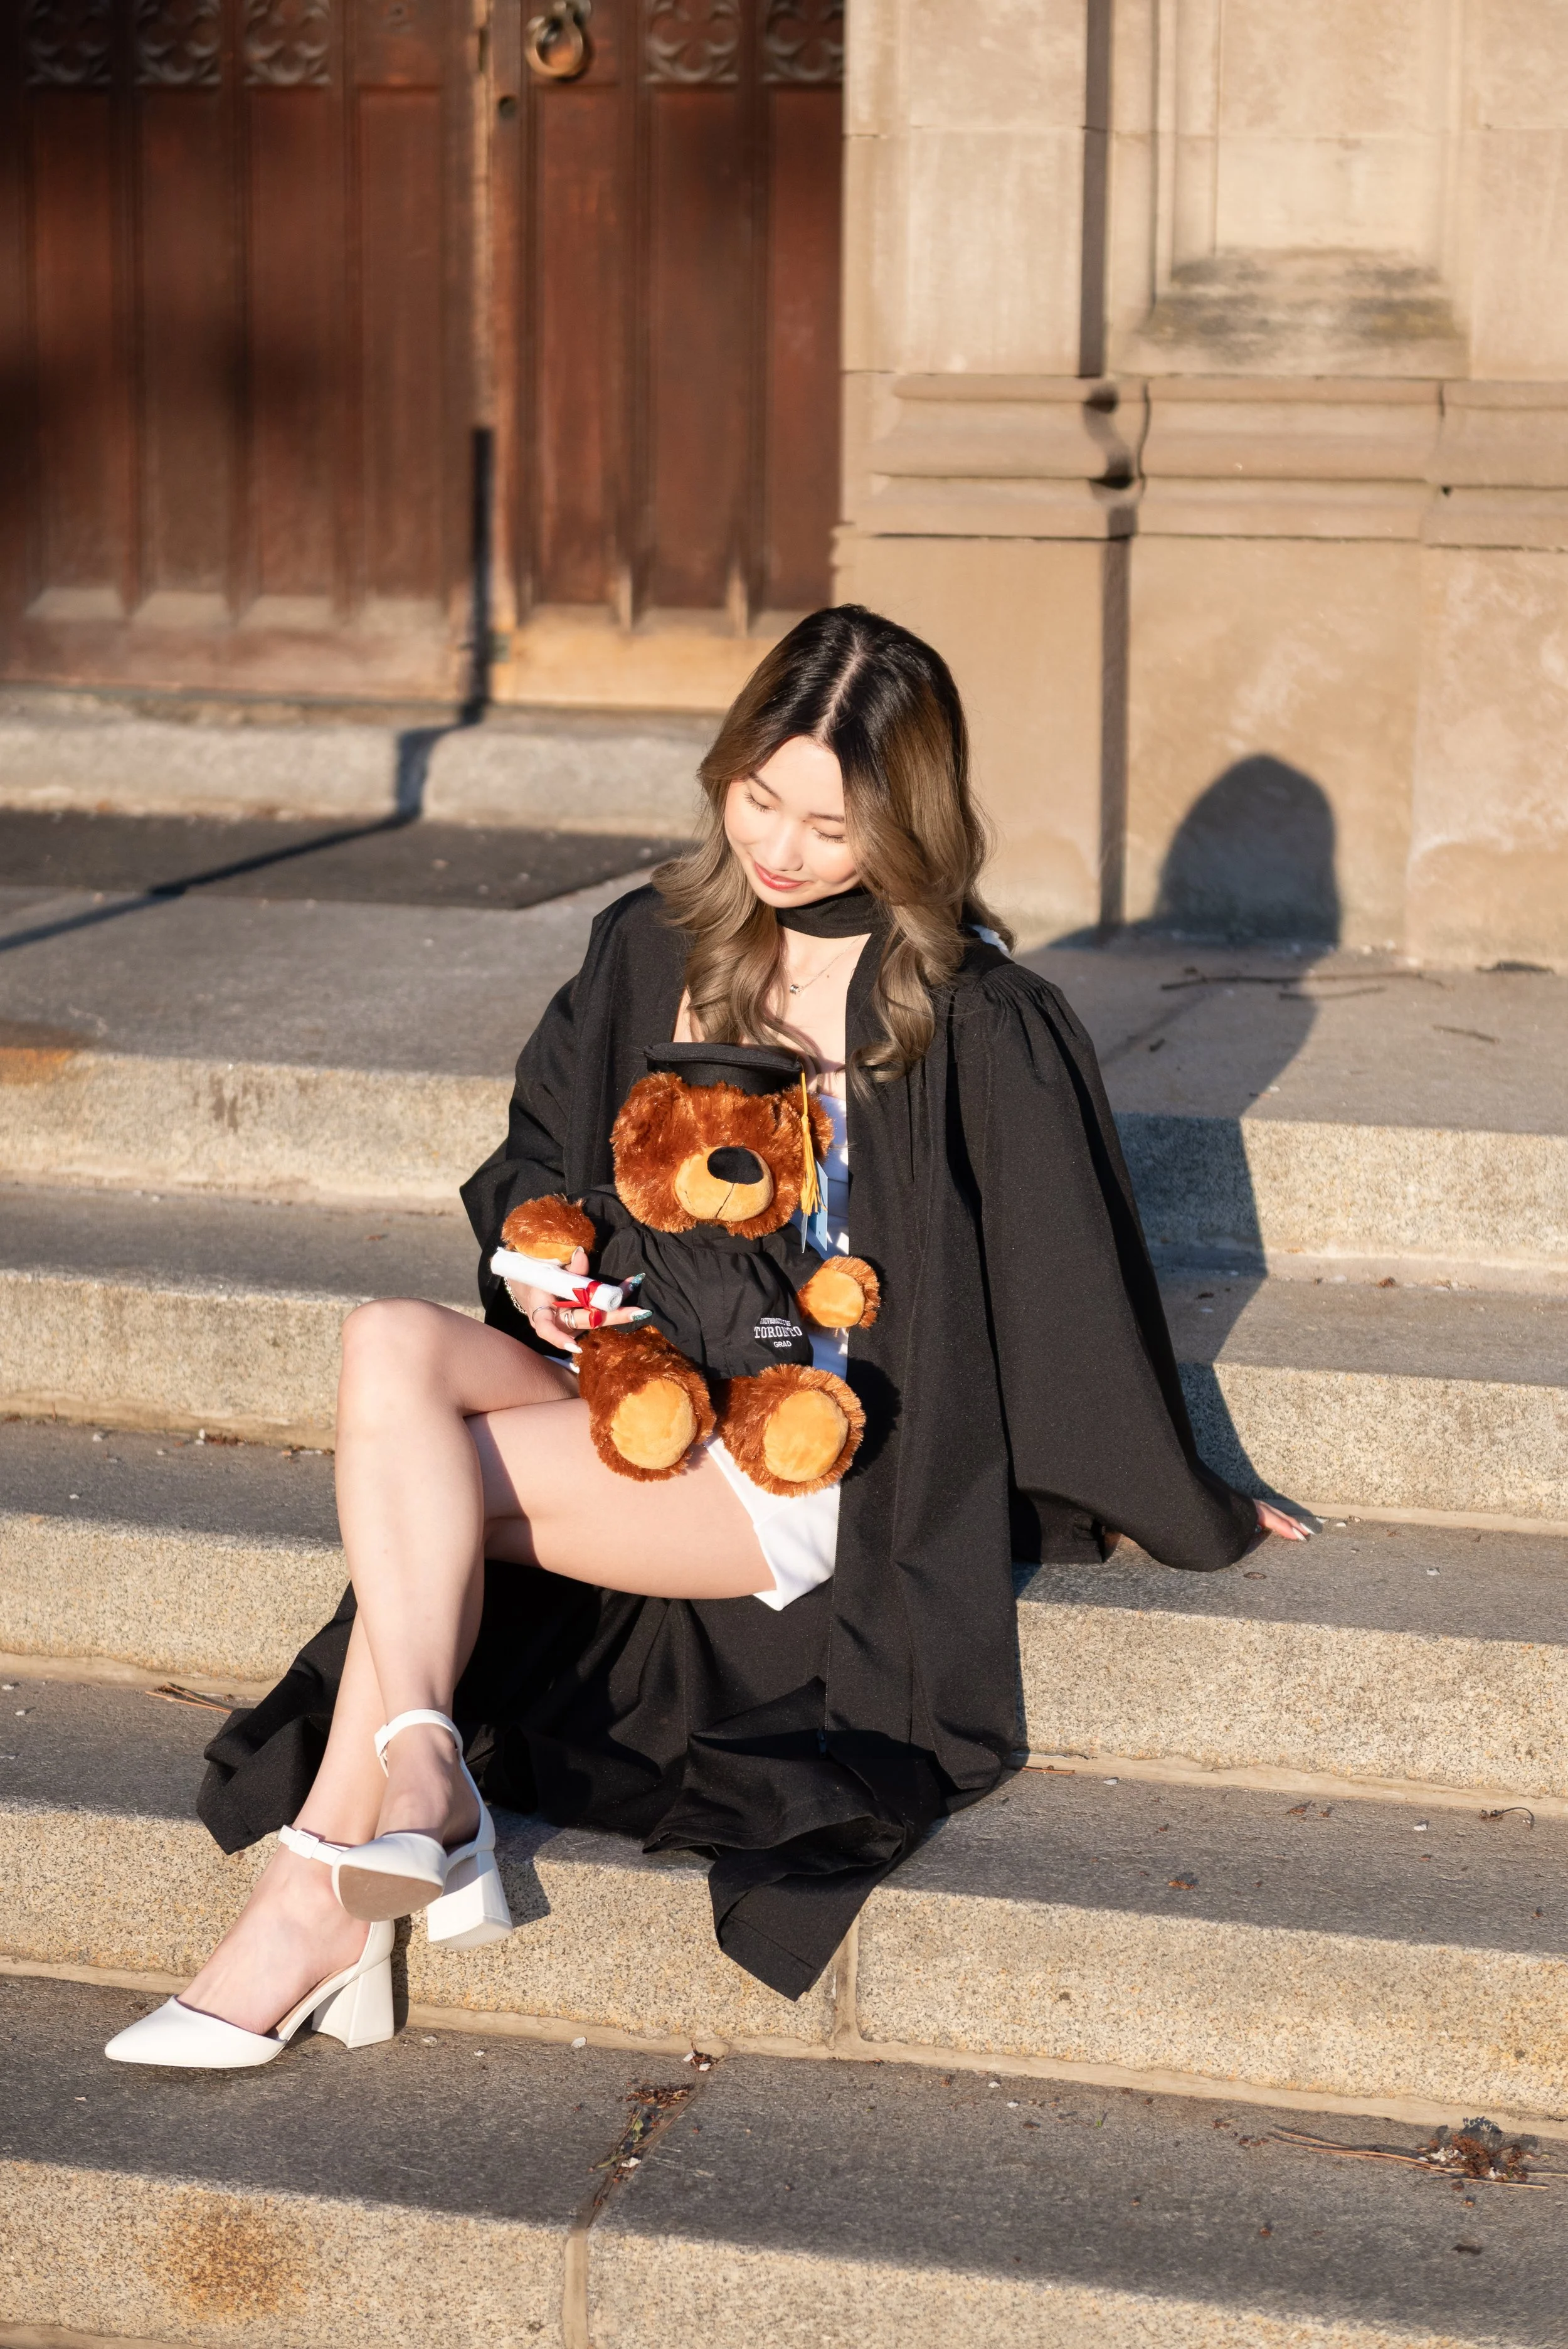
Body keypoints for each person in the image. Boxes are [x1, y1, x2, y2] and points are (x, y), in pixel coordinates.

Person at [105, 604, 1305, 2067]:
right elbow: (541, 1159)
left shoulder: (971, 1014)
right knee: (387, 1346)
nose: (781, 849)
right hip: (637, 1378)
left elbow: (1061, 1278)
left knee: (418, 1484)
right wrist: (544, 1273)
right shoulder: (649, 939)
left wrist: (1176, 1492)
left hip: (796, 1455)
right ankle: (412, 1784)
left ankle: (316, 1892)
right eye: (758, 798)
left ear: (908, 822)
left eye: (830, 825)